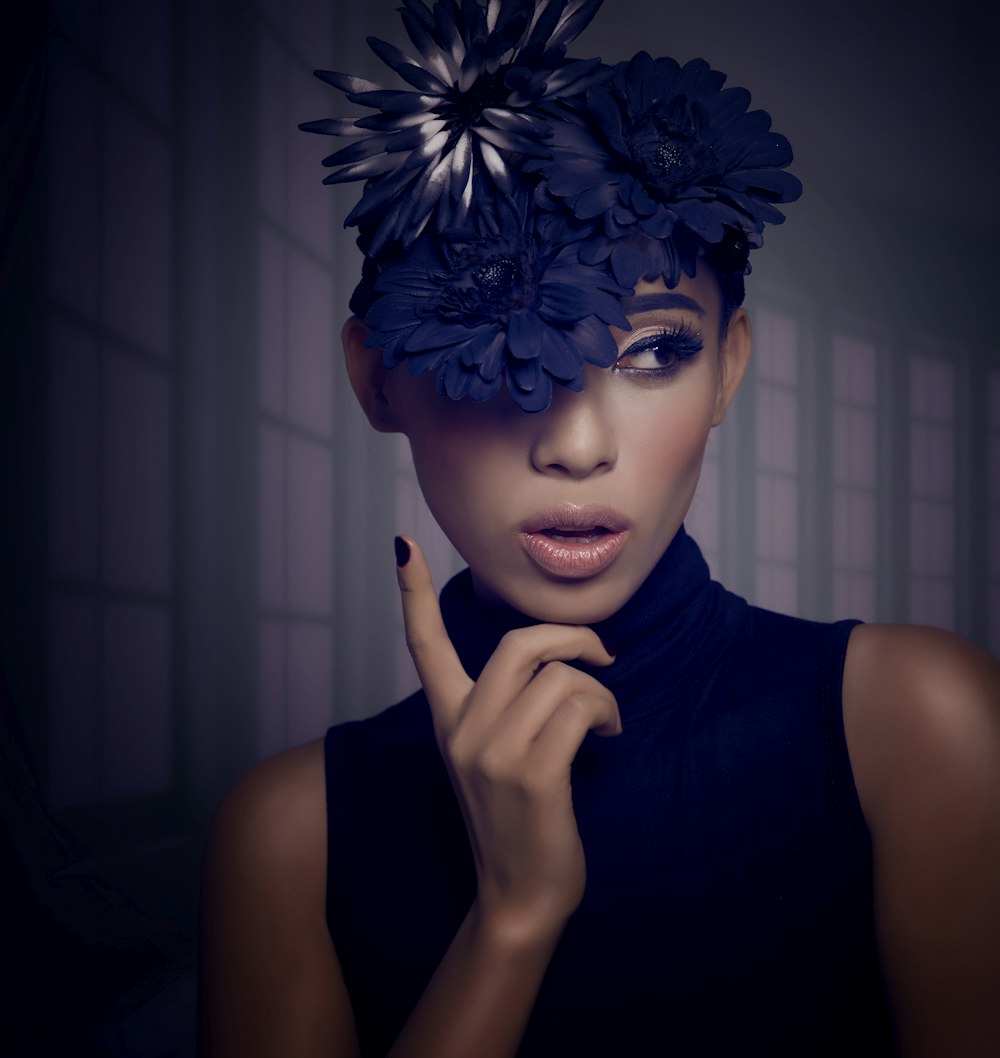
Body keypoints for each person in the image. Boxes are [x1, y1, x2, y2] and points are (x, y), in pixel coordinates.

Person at [199, 1, 1000, 1054]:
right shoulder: (291, 837)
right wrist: (512, 920)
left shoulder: (916, 724)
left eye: (653, 351)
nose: (575, 444)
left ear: (727, 366)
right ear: (374, 375)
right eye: (500, 348)